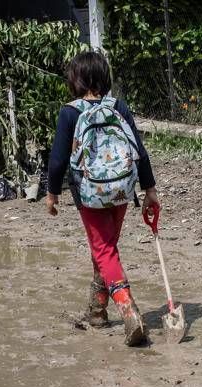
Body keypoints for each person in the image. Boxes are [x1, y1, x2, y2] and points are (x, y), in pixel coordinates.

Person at [45, 51, 160, 347]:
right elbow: (139, 150)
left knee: (104, 249)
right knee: (105, 248)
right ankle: (97, 311)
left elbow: (58, 160)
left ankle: (127, 307)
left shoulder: (69, 112)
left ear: (76, 79)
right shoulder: (118, 106)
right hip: (122, 189)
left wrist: (52, 192)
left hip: (89, 192)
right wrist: (149, 190)